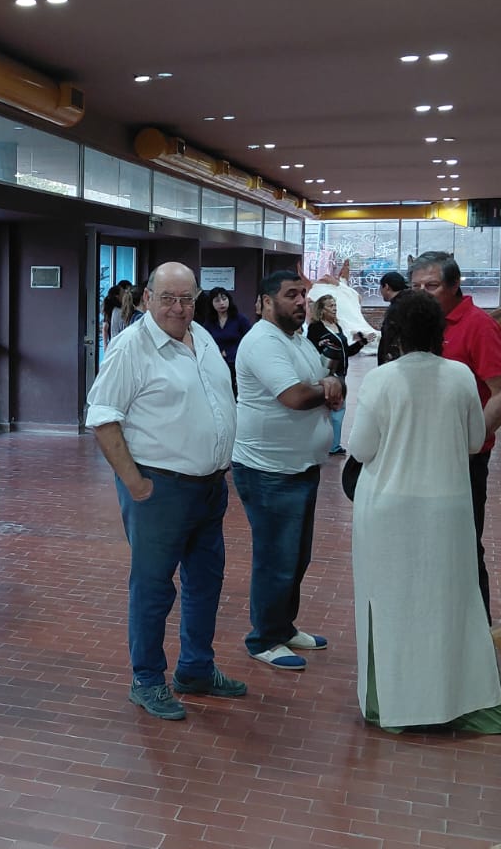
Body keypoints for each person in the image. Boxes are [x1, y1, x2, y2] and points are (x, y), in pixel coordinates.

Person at [344, 290, 501, 735]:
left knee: (390, 603)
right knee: (450, 602)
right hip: (447, 507)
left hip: (387, 510)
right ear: (439, 331)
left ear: (395, 333)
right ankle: (458, 700)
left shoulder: (381, 380)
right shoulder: (460, 375)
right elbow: (474, 439)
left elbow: (361, 448)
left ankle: (393, 704)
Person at [85, 262, 246, 721]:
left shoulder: (202, 337)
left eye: (187, 298)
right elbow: (102, 418)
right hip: (160, 489)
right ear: (147, 299)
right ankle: (147, 679)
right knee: (154, 588)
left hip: (209, 487)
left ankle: (196, 669)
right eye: (168, 298)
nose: (179, 308)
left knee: (205, 582)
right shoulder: (131, 347)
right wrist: (134, 483)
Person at [232, 270, 343, 672]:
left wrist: (331, 383)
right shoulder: (262, 342)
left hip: (299, 466)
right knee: (276, 559)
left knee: (296, 557)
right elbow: (295, 396)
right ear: (265, 302)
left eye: (303, 295)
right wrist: (327, 388)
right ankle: (263, 638)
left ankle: (282, 627)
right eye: (291, 294)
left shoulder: (297, 339)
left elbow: (326, 380)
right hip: (268, 470)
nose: (301, 302)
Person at [410, 251, 501, 622]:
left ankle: (476, 632)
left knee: (462, 547)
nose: (422, 294)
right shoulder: (420, 325)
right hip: (422, 457)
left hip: (463, 462)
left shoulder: (478, 326)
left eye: (432, 286)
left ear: (455, 286)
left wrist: (469, 443)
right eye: (416, 287)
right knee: (426, 545)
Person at [307, 294, 369, 456]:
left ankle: (334, 445)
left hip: (340, 373)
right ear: (322, 309)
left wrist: (361, 342)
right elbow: (310, 350)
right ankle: (321, 443)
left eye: (335, 305)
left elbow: (345, 352)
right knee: (325, 408)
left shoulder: (337, 327)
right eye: (331, 306)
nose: (334, 309)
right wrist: (320, 345)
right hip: (325, 374)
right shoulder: (316, 328)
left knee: (338, 409)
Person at [198, 286, 252, 393]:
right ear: (212, 304)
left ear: (229, 300)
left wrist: (231, 352)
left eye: (224, 299)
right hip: (217, 363)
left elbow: (250, 340)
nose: (221, 303)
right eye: (217, 301)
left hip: (237, 363)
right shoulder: (209, 322)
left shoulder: (240, 319)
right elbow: (204, 341)